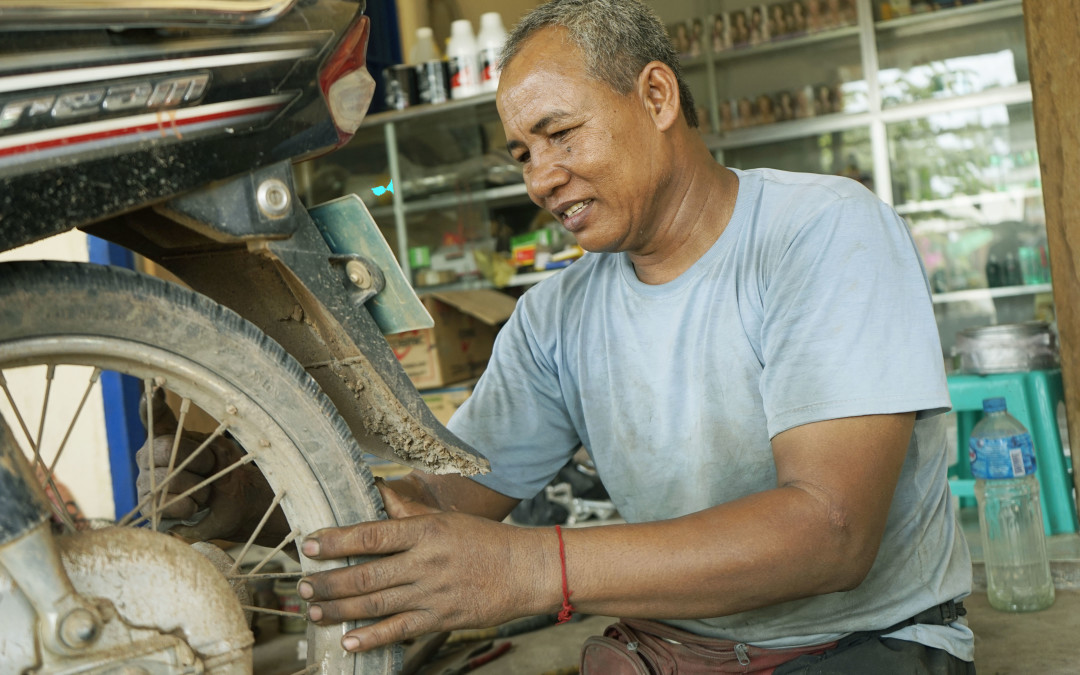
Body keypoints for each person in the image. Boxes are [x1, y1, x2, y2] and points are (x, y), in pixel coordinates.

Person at [138, 1, 975, 672]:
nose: (541, 178)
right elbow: (443, 505)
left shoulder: (822, 232)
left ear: (656, 97)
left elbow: (831, 531)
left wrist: (532, 567)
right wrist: (253, 499)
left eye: (561, 134)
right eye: (521, 154)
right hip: (673, 651)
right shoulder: (557, 315)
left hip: (861, 646)